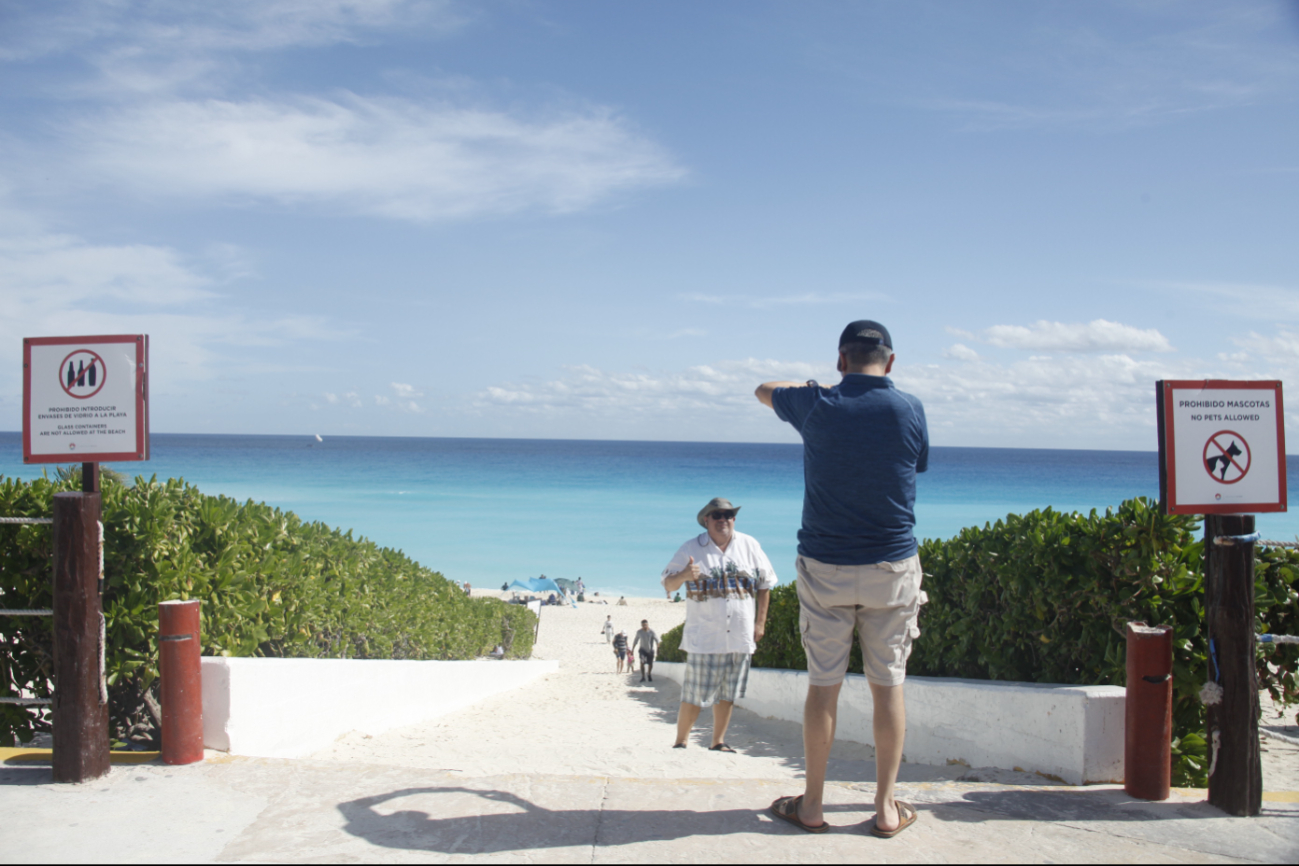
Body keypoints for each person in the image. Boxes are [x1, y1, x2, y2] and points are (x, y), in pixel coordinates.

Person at [756, 320, 928, 838]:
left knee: (823, 688)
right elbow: (914, 466)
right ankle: (885, 809)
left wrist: (815, 388)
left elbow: (762, 389)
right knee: (888, 686)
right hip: (891, 567)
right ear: (891, 363)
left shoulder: (816, 404)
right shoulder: (910, 408)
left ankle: (811, 805)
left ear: (840, 360)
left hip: (826, 567)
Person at [661, 497, 777, 753]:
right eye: (717, 515)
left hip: (739, 633)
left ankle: (718, 741)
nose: (723, 519)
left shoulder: (749, 545)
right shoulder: (691, 548)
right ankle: (681, 742)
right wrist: (683, 575)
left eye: (728, 514)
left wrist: (760, 623)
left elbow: (765, 584)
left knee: (728, 693)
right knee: (694, 693)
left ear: (734, 519)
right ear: (706, 520)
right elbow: (668, 585)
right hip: (705, 635)